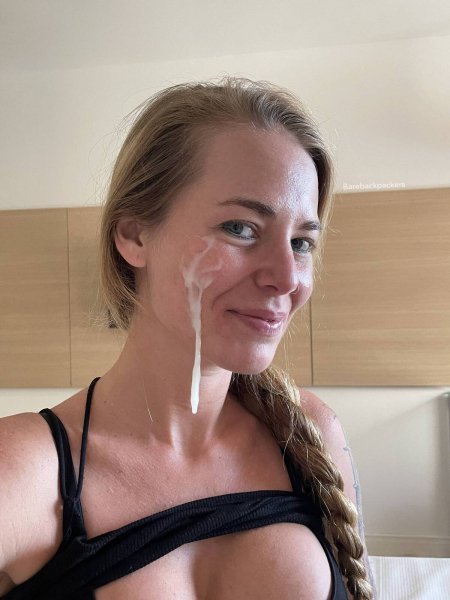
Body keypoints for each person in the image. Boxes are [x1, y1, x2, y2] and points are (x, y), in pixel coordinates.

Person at [0, 77, 375, 599]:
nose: (287, 278)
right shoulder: (24, 469)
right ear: (134, 235)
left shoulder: (309, 434)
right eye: (241, 228)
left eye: (301, 242)